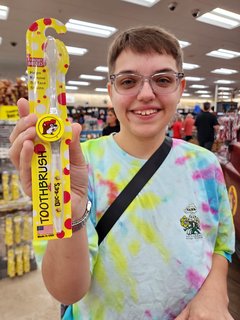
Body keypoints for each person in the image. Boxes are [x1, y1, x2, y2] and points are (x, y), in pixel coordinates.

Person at [9, 26, 235, 320]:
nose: (145, 94)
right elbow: (66, 292)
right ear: (110, 91)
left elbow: (221, 244)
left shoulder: (205, 165)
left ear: (180, 87)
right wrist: (71, 214)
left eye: (163, 79)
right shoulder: (75, 167)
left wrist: (216, 291)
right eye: (128, 81)